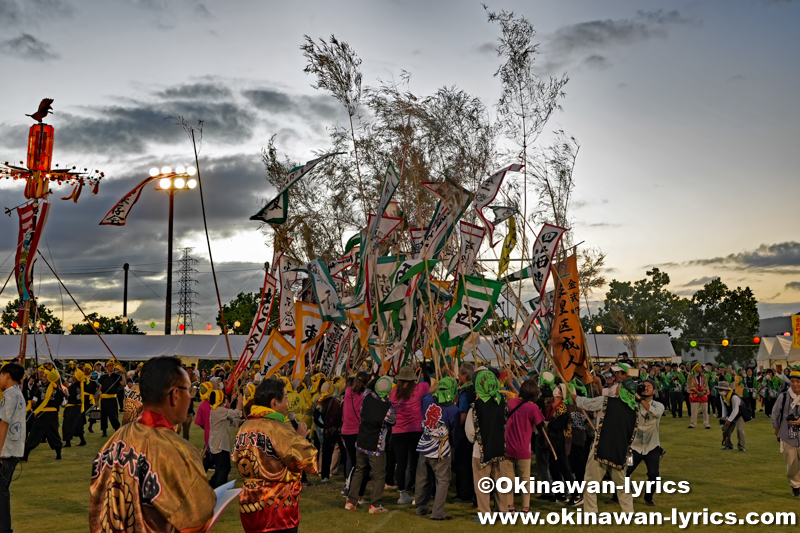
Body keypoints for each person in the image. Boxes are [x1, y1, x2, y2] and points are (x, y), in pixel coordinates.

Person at [89, 356, 216, 532]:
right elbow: (196, 520)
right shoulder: (178, 449)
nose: (190, 397)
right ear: (174, 395)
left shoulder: (115, 439)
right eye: (188, 390)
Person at [234, 378, 318, 533]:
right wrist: (300, 438)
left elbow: (237, 458)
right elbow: (309, 462)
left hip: (250, 506)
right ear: (274, 403)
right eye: (285, 398)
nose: (288, 403)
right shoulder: (279, 429)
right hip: (278, 510)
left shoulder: (245, 426)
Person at [573, 379, 638, 514]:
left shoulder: (606, 401)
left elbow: (586, 403)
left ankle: (591, 513)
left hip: (600, 449)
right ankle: (629, 512)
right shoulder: (635, 411)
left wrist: (574, 396)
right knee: (622, 486)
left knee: (591, 482)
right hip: (619, 452)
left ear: (622, 390)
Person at [345, 375, 396, 514]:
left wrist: (378, 375)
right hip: (377, 446)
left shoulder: (367, 397)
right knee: (379, 475)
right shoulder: (389, 407)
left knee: (359, 470)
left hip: (361, 441)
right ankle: (375, 504)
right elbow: (392, 422)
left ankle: (351, 501)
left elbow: (368, 387)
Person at [414, 376, 460, 521]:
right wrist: (453, 444)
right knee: (442, 481)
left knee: (422, 479)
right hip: (441, 448)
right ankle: (437, 512)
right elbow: (455, 431)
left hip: (424, 443)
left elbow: (426, 395)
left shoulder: (427, 400)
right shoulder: (453, 410)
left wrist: (435, 386)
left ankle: (421, 507)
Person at [466, 370, 510, 515]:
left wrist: (475, 441)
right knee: (500, 481)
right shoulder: (502, 400)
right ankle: (503, 509)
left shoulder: (475, 406)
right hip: (499, 447)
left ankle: (485, 512)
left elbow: (470, 432)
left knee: (482, 483)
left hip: (480, 450)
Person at [390, 365, 430, 505]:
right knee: (415, 462)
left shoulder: (393, 393)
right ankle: (413, 488)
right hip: (415, 430)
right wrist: (423, 370)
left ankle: (402, 492)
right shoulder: (419, 389)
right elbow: (429, 383)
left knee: (400, 463)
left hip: (398, 431)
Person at [504, 379, 544, 512]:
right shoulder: (532, 408)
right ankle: (525, 508)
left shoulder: (512, 402)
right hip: (523, 448)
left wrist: (510, 385)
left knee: (508, 478)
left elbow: (517, 397)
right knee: (525, 479)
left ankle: (510, 506)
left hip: (508, 445)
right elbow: (540, 425)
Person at [0, 363, 26, 533]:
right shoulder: (18, 393)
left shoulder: (10, 395)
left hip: (6, 451)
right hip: (14, 449)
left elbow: (4, 424)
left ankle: (4, 529)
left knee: (1, 491)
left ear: (7, 375)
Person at [22, 368, 65, 462]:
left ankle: (25, 457)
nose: (44, 378)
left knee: (35, 434)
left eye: (46, 376)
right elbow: (63, 403)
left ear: (50, 378)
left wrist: (34, 407)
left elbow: (34, 401)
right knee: (54, 434)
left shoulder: (40, 388)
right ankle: (58, 454)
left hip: (42, 414)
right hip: (52, 415)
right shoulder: (57, 389)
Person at [771, 369, 800, 496]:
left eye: (798, 381)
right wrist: (776, 428)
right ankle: (796, 486)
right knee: (792, 465)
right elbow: (775, 414)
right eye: (793, 381)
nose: (795, 384)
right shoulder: (783, 397)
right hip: (787, 436)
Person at [208, 389, 243, 488]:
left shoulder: (217, 410)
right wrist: (240, 401)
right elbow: (236, 413)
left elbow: (231, 420)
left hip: (217, 444)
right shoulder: (219, 410)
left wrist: (240, 421)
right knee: (224, 468)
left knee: (220, 468)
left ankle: (212, 485)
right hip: (219, 445)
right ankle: (219, 488)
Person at [341, 372, 368, 498]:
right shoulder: (365, 396)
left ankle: (348, 486)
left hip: (346, 431)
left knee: (353, 461)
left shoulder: (348, 392)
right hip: (358, 432)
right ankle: (354, 491)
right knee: (361, 464)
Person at [454, 362, 476, 504]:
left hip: (464, 432)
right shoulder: (474, 390)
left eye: (460, 373)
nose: (458, 375)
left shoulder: (464, 393)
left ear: (465, 375)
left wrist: (454, 427)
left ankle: (464, 493)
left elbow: (462, 415)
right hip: (474, 430)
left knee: (462, 464)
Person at [315, 382, 343, 484]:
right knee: (343, 453)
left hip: (327, 431)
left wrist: (323, 426)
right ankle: (348, 475)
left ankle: (324, 477)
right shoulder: (338, 401)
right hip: (339, 430)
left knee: (326, 454)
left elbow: (315, 417)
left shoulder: (321, 403)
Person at [62, 367, 89, 447]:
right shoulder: (81, 386)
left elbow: (69, 396)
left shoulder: (73, 387)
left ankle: (68, 442)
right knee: (78, 425)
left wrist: (66, 394)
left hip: (71, 408)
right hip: (78, 408)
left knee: (67, 425)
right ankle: (82, 440)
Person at [98, 360, 126, 437]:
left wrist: (122, 374)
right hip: (103, 399)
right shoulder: (103, 376)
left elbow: (123, 384)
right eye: (109, 365)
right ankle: (104, 432)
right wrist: (97, 397)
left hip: (112, 399)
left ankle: (117, 430)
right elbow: (100, 387)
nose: (111, 367)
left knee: (113, 416)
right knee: (103, 416)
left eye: (112, 365)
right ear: (106, 367)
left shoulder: (117, 376)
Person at [718, 381, 747, 452]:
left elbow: (736, 409)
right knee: (725, 429)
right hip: (731, 414)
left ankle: (741, 447)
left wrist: (729, 420)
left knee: (739, 430)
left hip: (740, 414)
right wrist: (724, 417)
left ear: (726, 390)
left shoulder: (734, 397)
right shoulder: (722, 397)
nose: (720, 391)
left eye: (721, 389)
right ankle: (728, 445)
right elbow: (724, 407)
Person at [687, 362, 711, 429]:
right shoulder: (690, 376)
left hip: (703, 395)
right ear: (695, 368)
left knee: (705, 411)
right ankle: (693, 424)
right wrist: (697, 392)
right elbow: (690, 385)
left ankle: (707, 424)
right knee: (694, 411)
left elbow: (706, 385)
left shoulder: (704, 376)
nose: (701, 368)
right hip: (694, 395)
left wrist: (703, 392)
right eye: (699, 366)